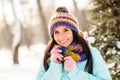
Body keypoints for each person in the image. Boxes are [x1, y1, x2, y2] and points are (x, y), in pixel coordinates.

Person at [36, 6, 111, 80]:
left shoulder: (92, 53)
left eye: (66, 30)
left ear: (73, 32)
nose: (61, 36)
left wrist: (75, 72)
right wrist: (55, 67)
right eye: (56, 32)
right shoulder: (49, 57)